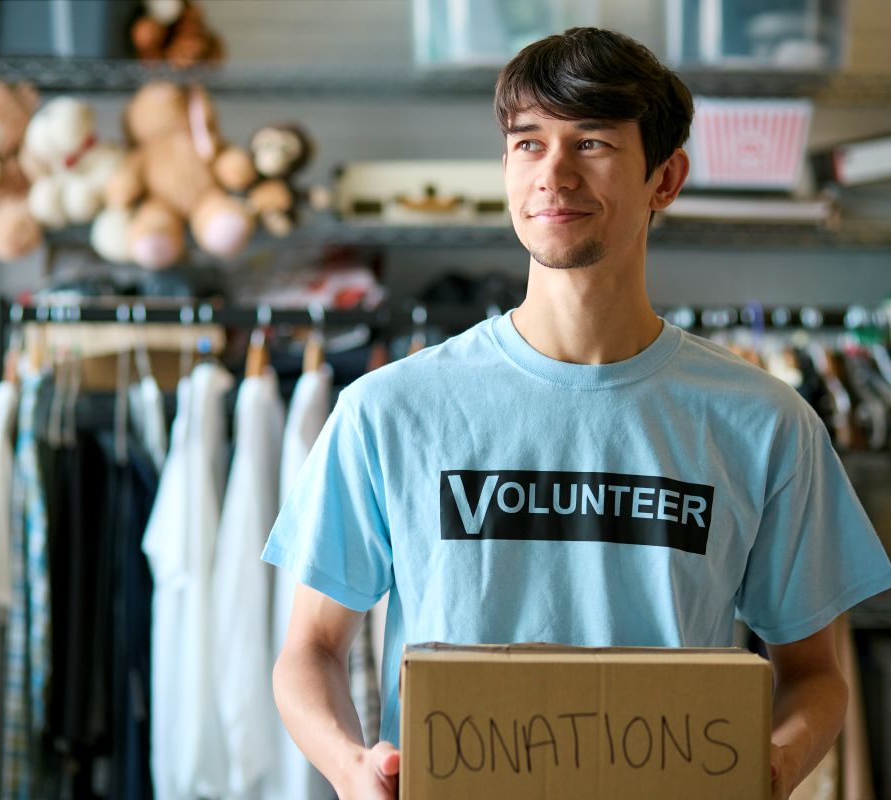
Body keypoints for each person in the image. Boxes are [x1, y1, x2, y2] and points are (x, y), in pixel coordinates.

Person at [262, 27, 891, 800]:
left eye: (591, 142)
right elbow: (311, 651)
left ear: (666, 179)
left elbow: (816, 674)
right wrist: (350, 767)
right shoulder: (388, 411)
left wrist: (776, 763)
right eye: (529, 144)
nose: (553, 173)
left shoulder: (765, 422)